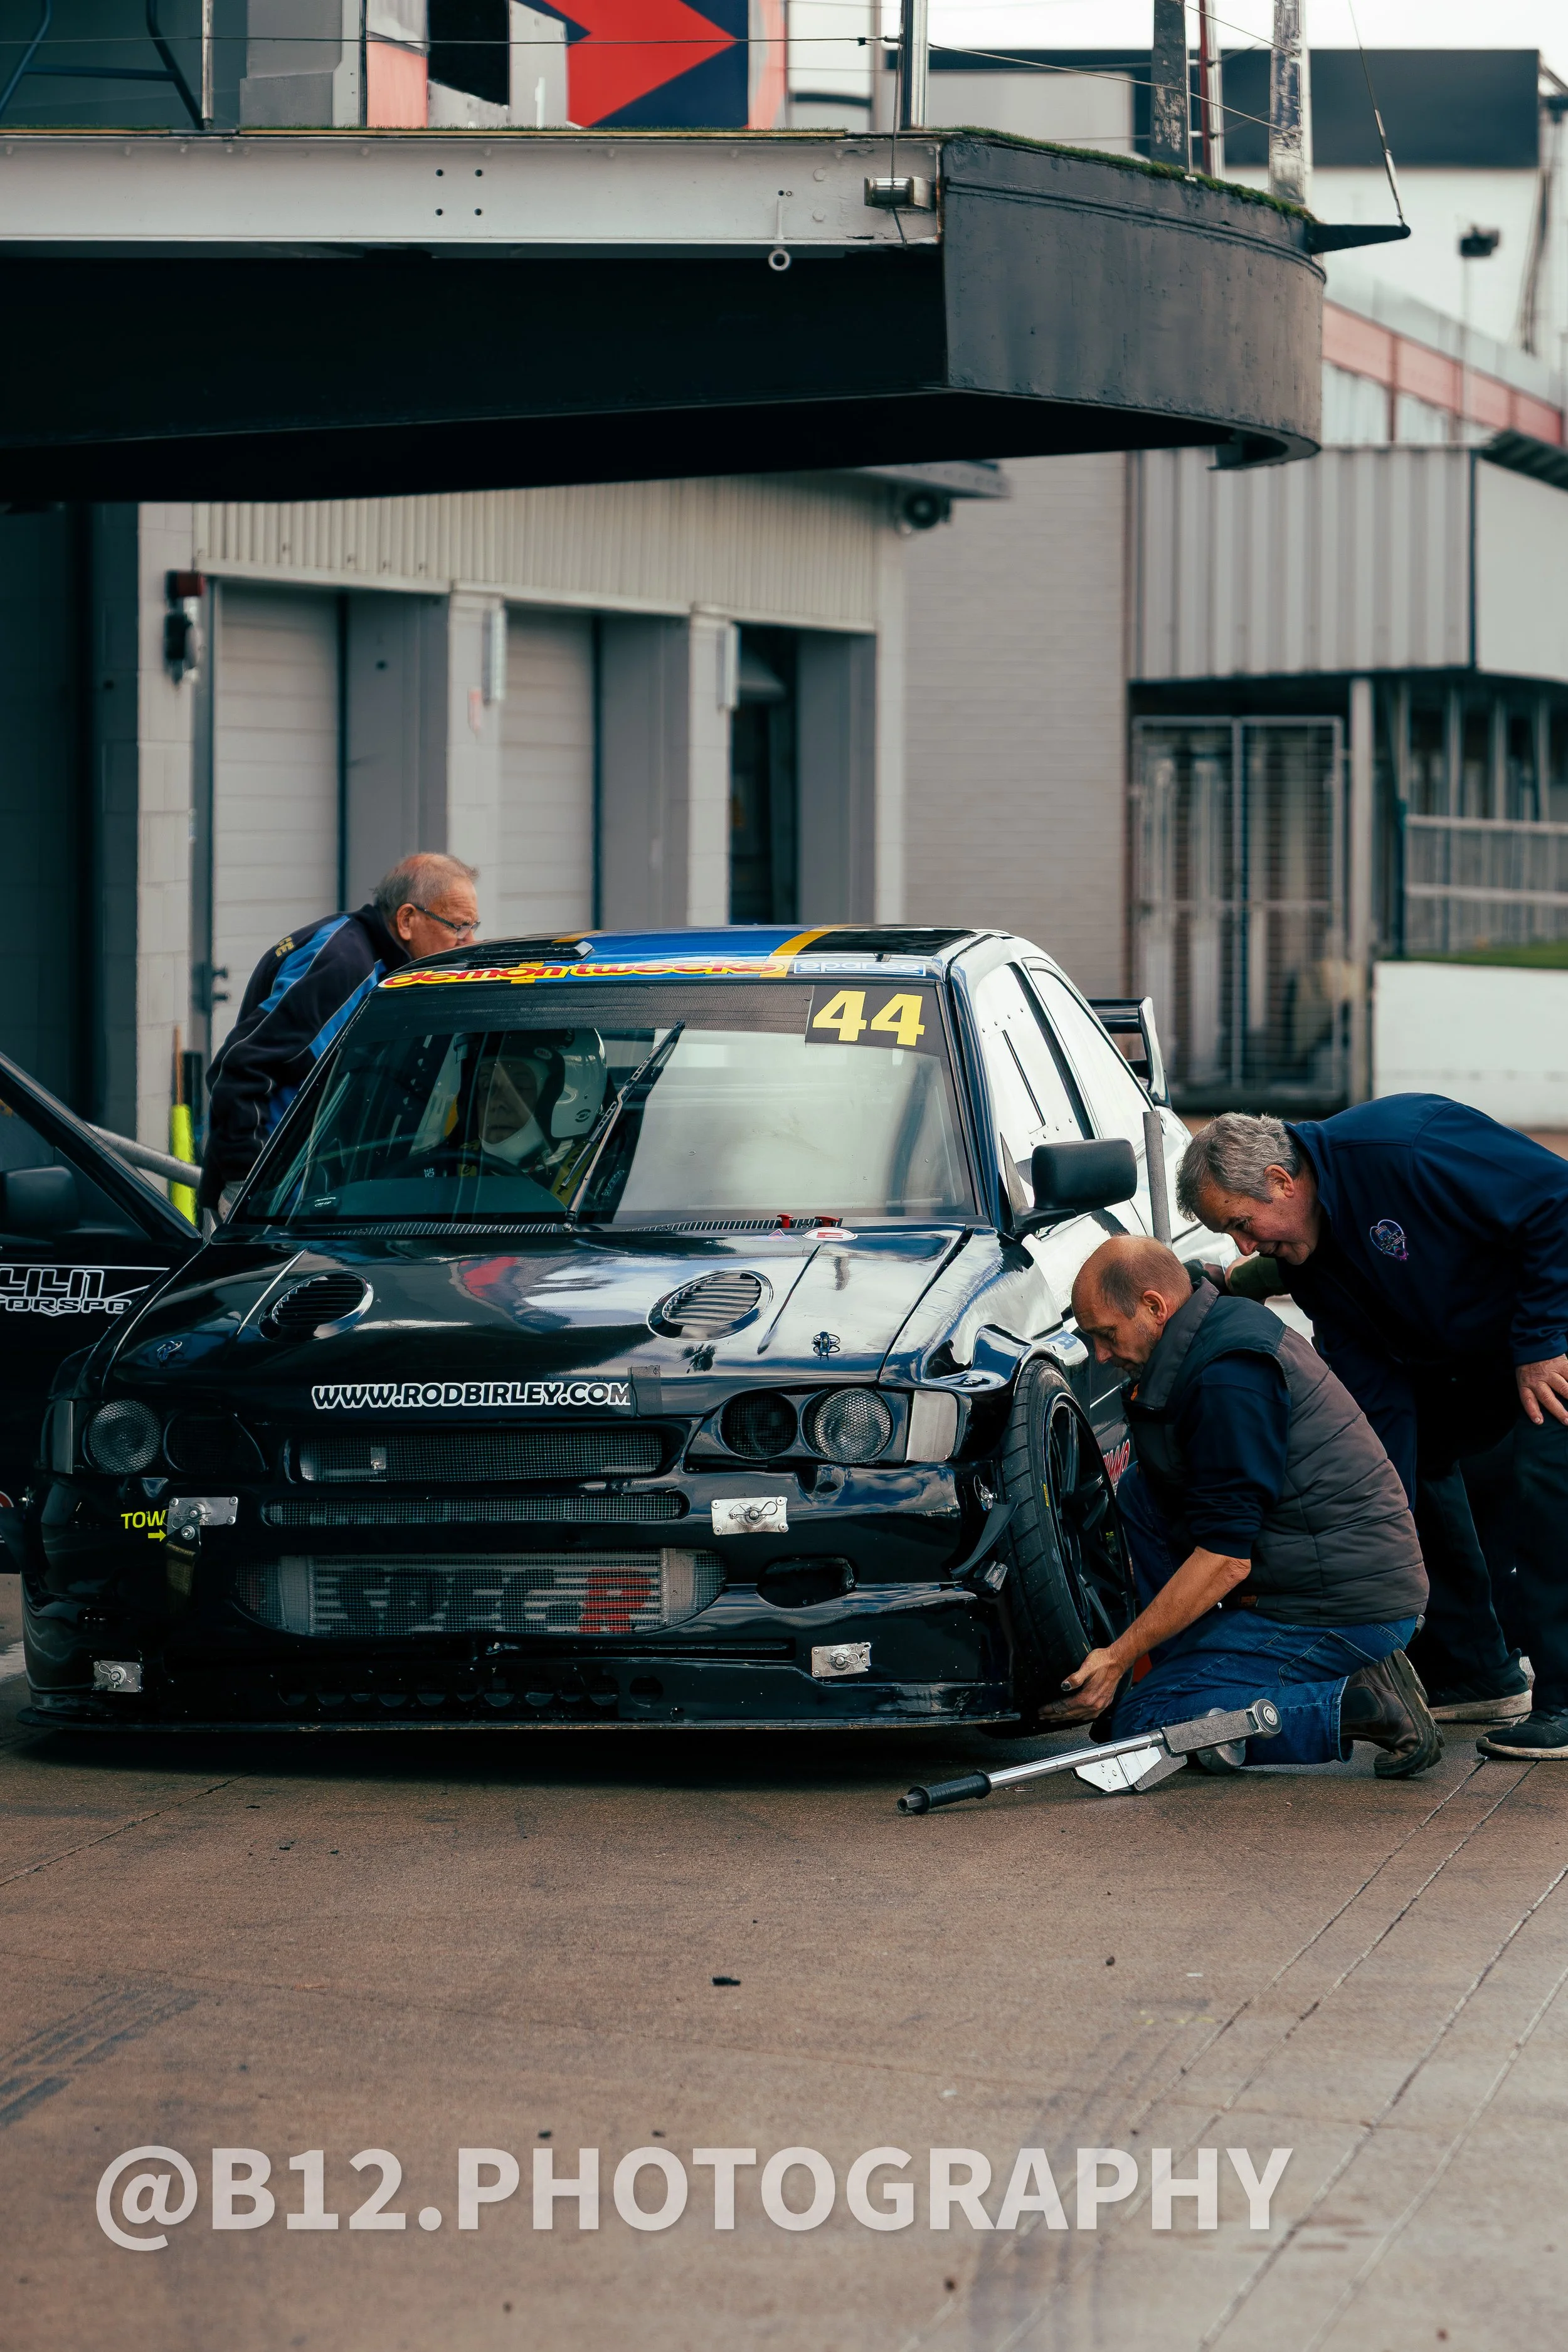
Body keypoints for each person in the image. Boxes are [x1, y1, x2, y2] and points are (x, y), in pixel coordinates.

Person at [1176, 1100, 1568, 1761]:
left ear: (1279, 1180)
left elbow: (1555, 1202)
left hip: (1548, 1326)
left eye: (1242, 1225)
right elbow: (1378, 1393)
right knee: (1406, 1472)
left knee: (1547, 1475)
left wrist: (1542, 1339)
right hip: (1480, 1353)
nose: (1246, 1248)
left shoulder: (1404, 1148)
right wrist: (1377, 1512)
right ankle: (1475, 1670)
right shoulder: (1312, 1257)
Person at [1064, 1235, 1440, 1779]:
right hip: (1329, 1582)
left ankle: (1358, 1705)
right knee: (1142, 1495)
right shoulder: (1211, 1334)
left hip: (1347, 1610)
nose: (1100, 1354)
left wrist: (1119, 1655)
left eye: (1106, 1335)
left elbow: (1226, 1559)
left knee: (1145, 1724)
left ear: (1153, 1306)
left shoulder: (1228, 1375)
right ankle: (1197, 1675)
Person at [198, 852, 479, 1208]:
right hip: (276, 1197)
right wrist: (249, 1183)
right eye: (458, 927)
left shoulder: (385, 964)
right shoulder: (346, 966)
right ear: (407, 920)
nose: (468, 942)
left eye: (474, 927)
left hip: (318, 1192)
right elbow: (243, 1067)